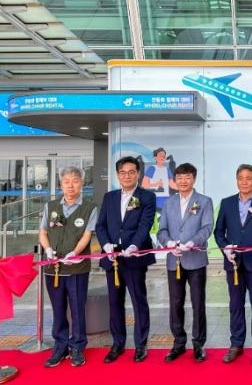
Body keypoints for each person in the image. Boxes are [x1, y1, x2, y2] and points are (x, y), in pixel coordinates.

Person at [96, 156, 156, 364]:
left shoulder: (147, 197)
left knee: (139, 301)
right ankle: (117, 343)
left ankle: (141, 344)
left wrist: (134, 246)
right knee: (115, 302)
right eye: (123, 172)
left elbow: (145, 225)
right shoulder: (109, 197)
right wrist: (106, 245)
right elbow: (101, 225)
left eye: (131, 172)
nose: (127, 176)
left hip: (134, 257)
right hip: (112, 258)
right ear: (117, 175)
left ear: (138, 174)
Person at [214, 164, 252, 365]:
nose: (244, 182)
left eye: (248, 178)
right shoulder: (226, 203)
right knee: (235, 305)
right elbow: (218, 231)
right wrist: (225, 248)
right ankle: (236, 344)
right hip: (233, 262)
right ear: (236, 180)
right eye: (241, 178)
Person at [39, 166, 97, 368]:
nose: (71, 185)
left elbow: (87, 235)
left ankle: (78, 347)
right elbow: (43, 232)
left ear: (82, 183)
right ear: (60, 184)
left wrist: (75, 253)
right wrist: (47, 249)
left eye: (75, 181)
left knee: (77, 308)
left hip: (77, 268)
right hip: (53, 268)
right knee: (58, 309)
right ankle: (60, 346)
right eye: (66, 181)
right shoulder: (51, 206)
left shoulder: (90, 208)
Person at [157, 163, 214, 363]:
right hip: (174, 260)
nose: (183, 181)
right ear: (175, 180)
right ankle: (179, 343)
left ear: (194, 179)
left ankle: (198, 344)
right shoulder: (168, 203)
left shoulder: (204, 201)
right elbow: (161, 230)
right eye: (180, 178)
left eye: (187, 177)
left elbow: (207, 227)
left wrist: (193, 242)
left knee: (198, 303)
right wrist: (168, 243)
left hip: (195, 259)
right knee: (175, 303)